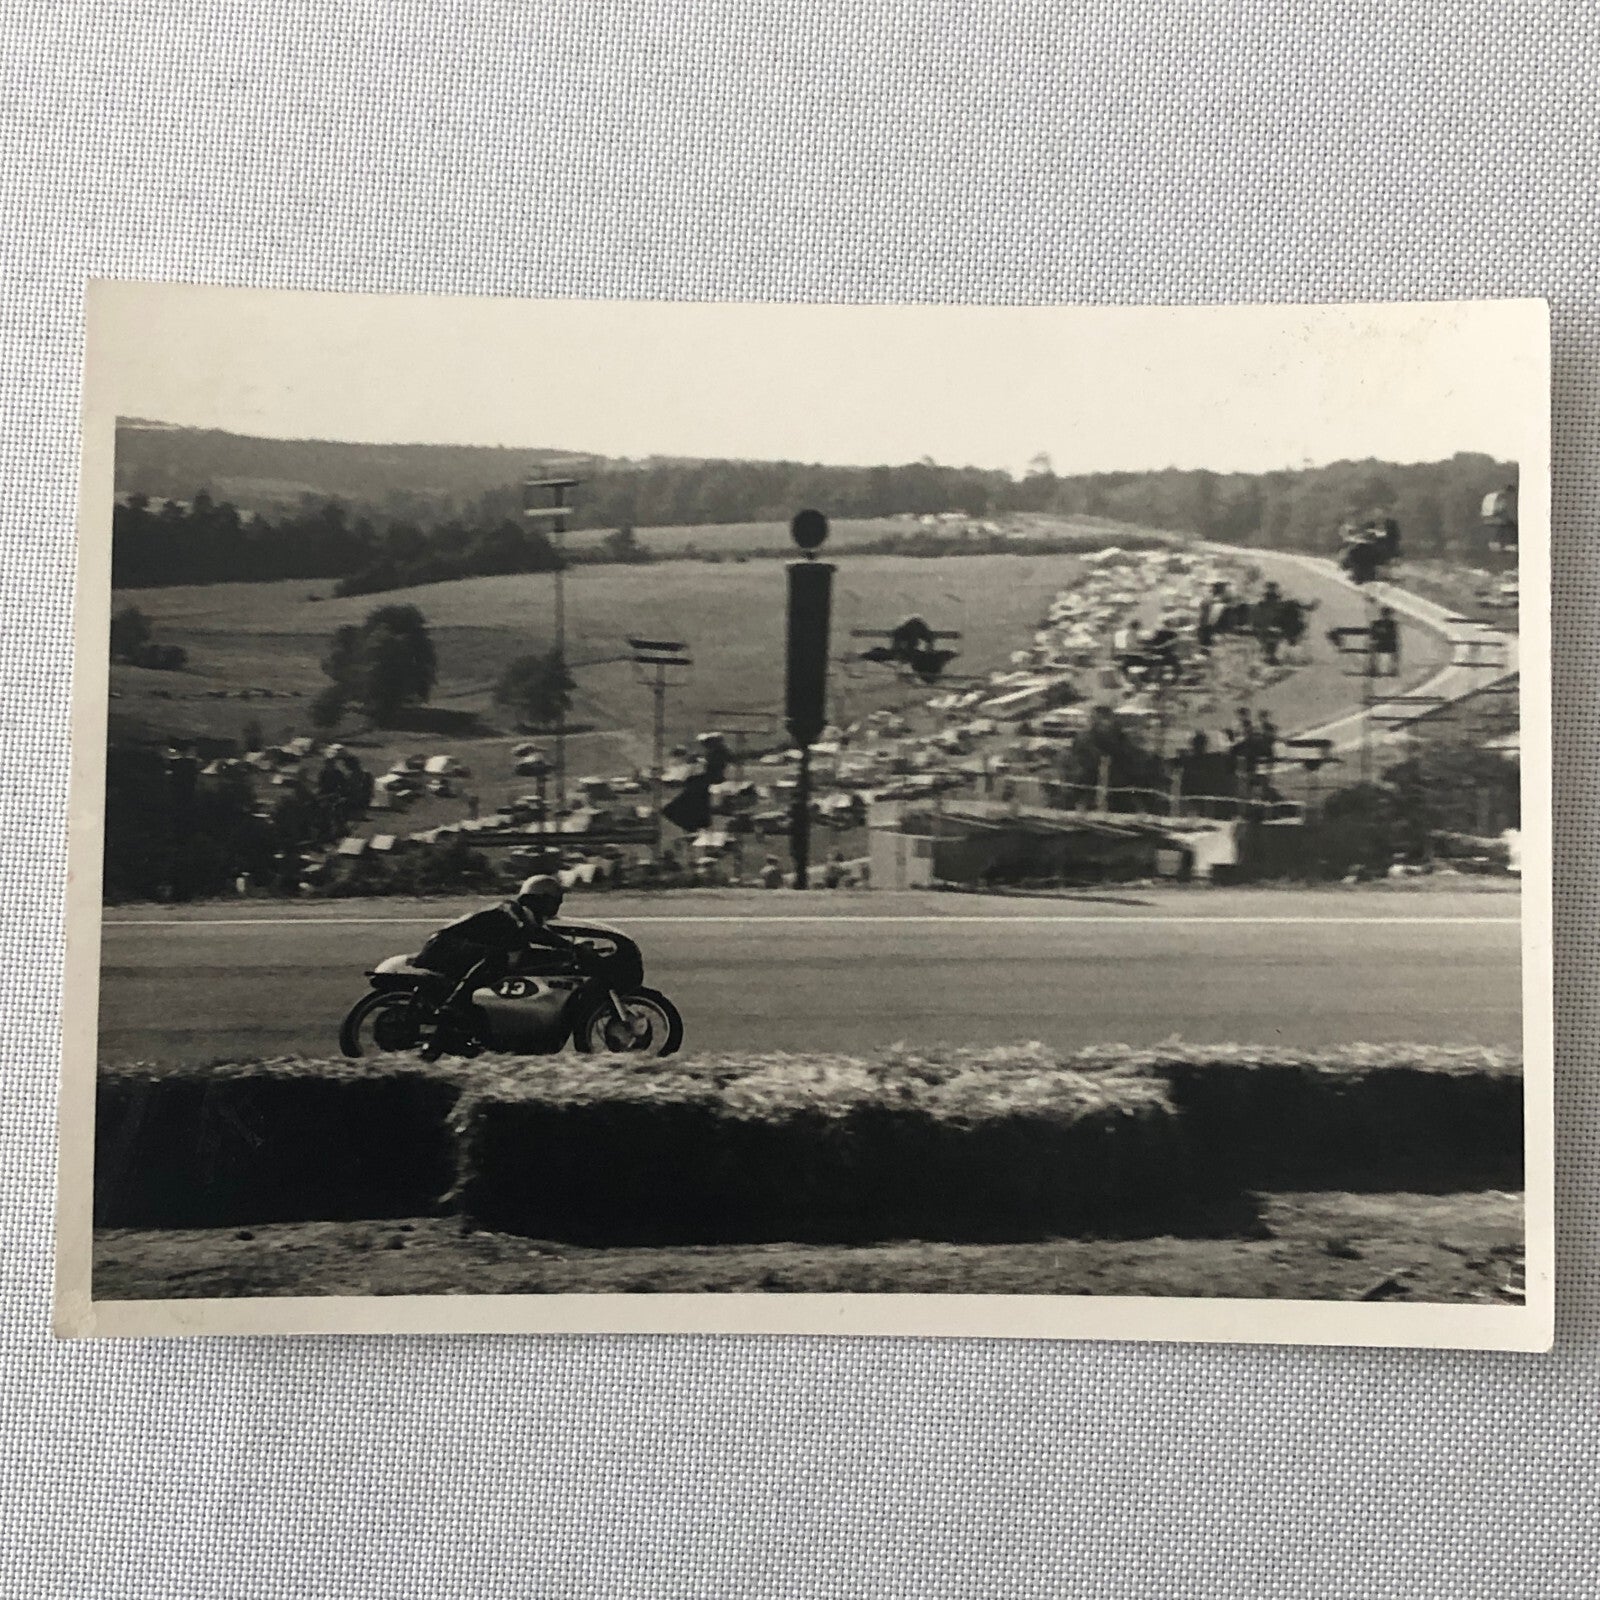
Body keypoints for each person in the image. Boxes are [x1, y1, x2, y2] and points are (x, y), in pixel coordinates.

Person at [412, 874, 577, 1051]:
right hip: (443, 946)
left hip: (452, 947)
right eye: (554, 900)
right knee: (497, 957)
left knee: (509, 960)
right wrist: (570, 948)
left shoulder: (521, 917)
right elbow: (534, 935)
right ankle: (453, 1005)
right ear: (537, 899)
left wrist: (570, 950)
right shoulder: (511, 913)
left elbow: (536, 939)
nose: (556, 906)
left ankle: (465, 1024)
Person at [1370, 606, 1401, 676]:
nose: (1387, 616)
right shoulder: (1392, 624)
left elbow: (1373, 636)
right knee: (1396, 647)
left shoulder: (1378, 624)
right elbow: (1395, 636)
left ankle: (1393, 668)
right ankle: (1393, 668)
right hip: (1386, 645)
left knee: (1373, 647)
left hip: (1384, 645)